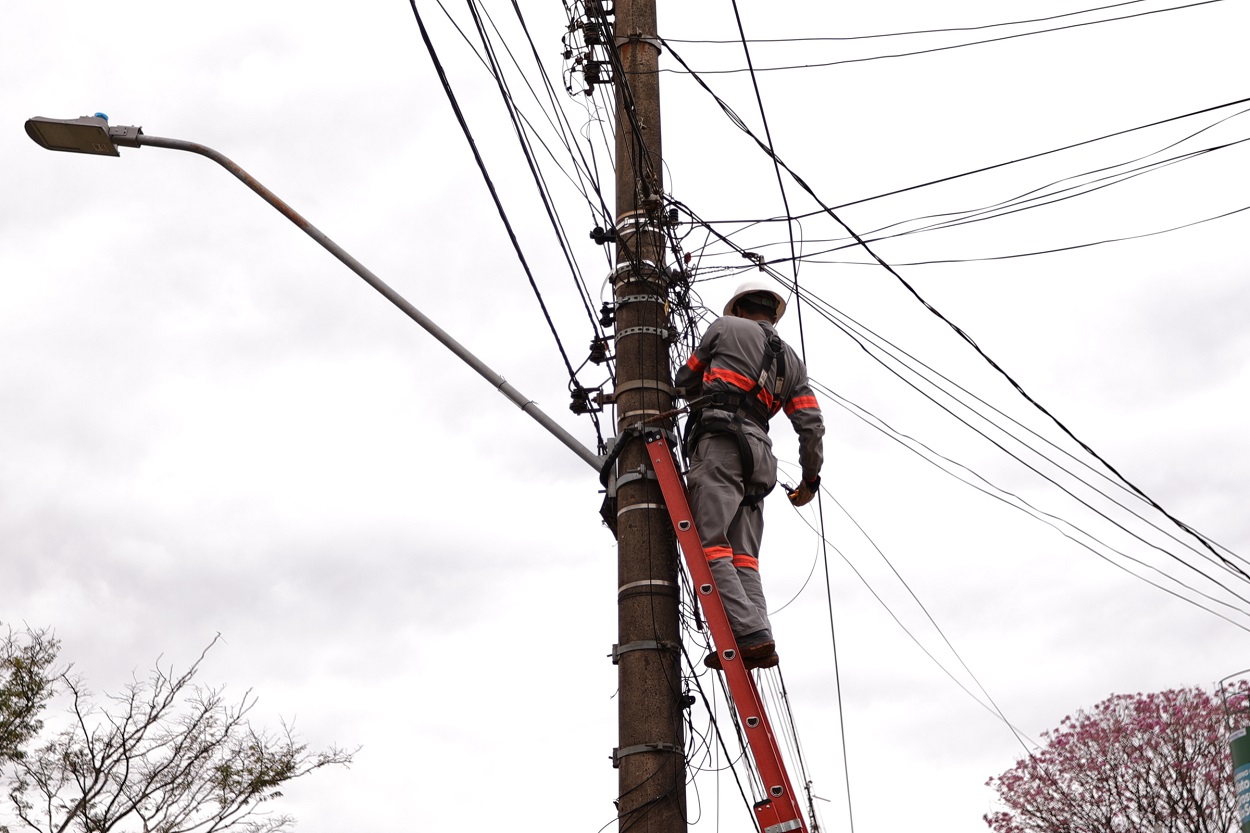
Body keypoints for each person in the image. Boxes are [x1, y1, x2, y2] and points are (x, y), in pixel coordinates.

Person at [675, 279, 824, 670]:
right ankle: (759, 634)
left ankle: (747, 630)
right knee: (744, 557)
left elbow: (684, 380)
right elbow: (811, 426)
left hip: (722, 442)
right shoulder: (793, 363)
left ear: (738, 308)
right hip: (761, 457)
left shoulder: (724, 328)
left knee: (710, 545)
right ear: (773, 314)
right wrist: (810, 480)